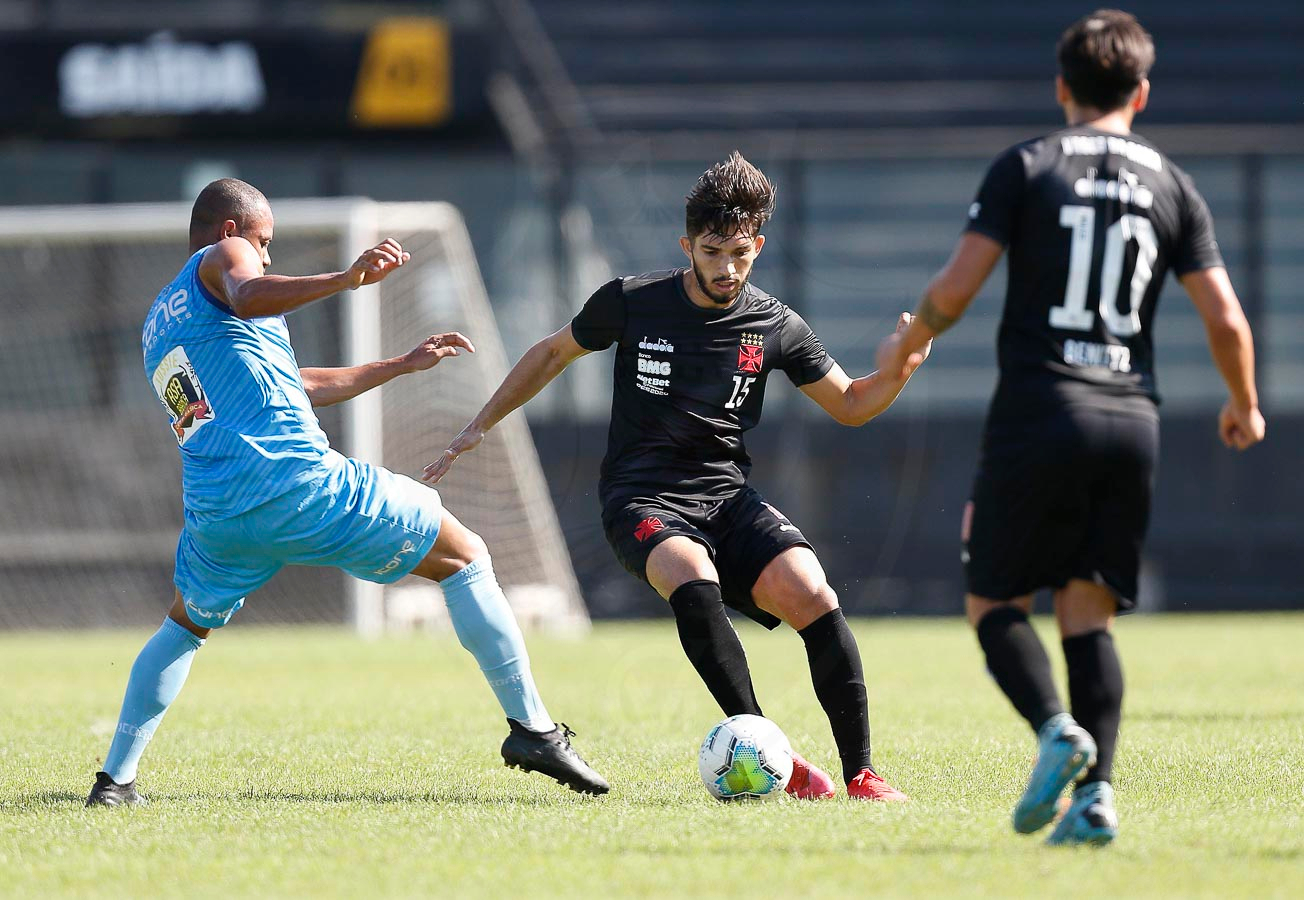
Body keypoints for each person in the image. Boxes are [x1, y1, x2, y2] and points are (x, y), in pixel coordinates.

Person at [86, 178, 608, 807]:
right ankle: (535, 731)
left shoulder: (159, 323)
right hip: (297, 482)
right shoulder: (222, 261)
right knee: (465, 555)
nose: (266, 256)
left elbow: (292, 383)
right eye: (264, 241)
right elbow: (251, 290)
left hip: (217, 513)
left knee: (184, 627)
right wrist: (345, 280)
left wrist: (397, 365)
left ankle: (115, 781)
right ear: (230, 233)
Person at [425, 153, 930, 801]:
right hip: (640, 499)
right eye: (713, 251)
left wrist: (903, 368)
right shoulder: (633, 303)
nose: (727, 268)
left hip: (726, 498)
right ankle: (777, 754)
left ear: (759, 247)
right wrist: (481, 423)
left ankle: (863, 774)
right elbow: (552, 351)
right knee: (693, 580)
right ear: (687, 244)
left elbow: (853, 404)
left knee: (814, 594)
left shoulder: (776, 326)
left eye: (740, 254)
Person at [877, 10, 1265, 844]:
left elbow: (955, 289)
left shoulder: (1028, 165)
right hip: (1132, 417)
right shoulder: (1174, 184)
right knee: (1089, 614)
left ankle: (1056, 729)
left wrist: (909, 339)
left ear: (1062, 88)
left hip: (1040, 409)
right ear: (1142, 92)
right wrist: (1245, 404)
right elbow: (1228, 321)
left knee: (993, 602)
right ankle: (1097, 799)